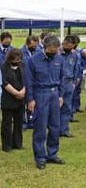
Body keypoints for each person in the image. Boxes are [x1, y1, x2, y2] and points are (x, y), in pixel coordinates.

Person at [25, 36, 65, 170]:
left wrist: (61, 95)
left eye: (56, 50)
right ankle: (40, 157)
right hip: (40, 93)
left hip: (55, 94)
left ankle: (52, 154)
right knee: (40, 127)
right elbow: (29, 81)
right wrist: (30, 99)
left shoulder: (59, 59)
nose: (53, 53)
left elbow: (62, 77)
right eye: (51, 50)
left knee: (55, 126)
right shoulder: (33, 61)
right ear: (44, 47)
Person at [1, 48, 25, 152]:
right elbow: (5, 83)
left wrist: (23, 92)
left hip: (21, 99)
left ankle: (18, 143)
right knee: (7, 123)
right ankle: (7, 145)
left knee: (19, 122)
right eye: (14, 60)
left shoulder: (23, 66)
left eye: (18, 60)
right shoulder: (3, 67)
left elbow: (27, 80)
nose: (16, 62)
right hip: (8, 98)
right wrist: (16, 93)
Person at [60, 35, 79, 138]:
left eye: (73, 47)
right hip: (59, 83)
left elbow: (76, 68)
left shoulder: (74, 55)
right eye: (69, 46)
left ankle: (64, 130)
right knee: (57, 107)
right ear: (64, 44)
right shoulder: (57, 54)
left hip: (69, 83)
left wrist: (74, 82)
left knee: (67, 107)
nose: (71, 49)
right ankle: (55, 129)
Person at [20, 35, 41, 129]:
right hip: (22, 81)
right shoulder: (20, 52)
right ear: (27, 44)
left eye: (36, 46)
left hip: (35, 81)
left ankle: (31, 120)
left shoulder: (39, 52)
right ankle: (23, 122)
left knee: (32, 101)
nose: (34, 47)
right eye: (32, 46)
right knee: (22, 103)